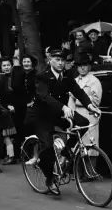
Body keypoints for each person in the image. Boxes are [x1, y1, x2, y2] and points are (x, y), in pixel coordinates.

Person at [28, 48, 101, 195]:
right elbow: (44, 96)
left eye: (63, 60)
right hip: (43, 116)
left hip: (60, 113)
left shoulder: (67, 75)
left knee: (83, 122)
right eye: (57, 60)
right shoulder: (42, 76)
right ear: (50, 60)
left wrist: (89, 105)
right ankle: (50, 180)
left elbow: (78, 91)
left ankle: (67, 150)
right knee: (48, 148)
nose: (61, 63)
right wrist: (63, 107)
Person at [11, 54, 37, 161]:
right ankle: (19, 154)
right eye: (24, 61)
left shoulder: (35, 74)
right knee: (19, 129)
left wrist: (33, 101)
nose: (26, 64)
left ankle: (32, 154)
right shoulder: (19, 73)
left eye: (28, 61)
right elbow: (15, 86)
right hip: (20, 106)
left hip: (32, 106)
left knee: (30, 130)